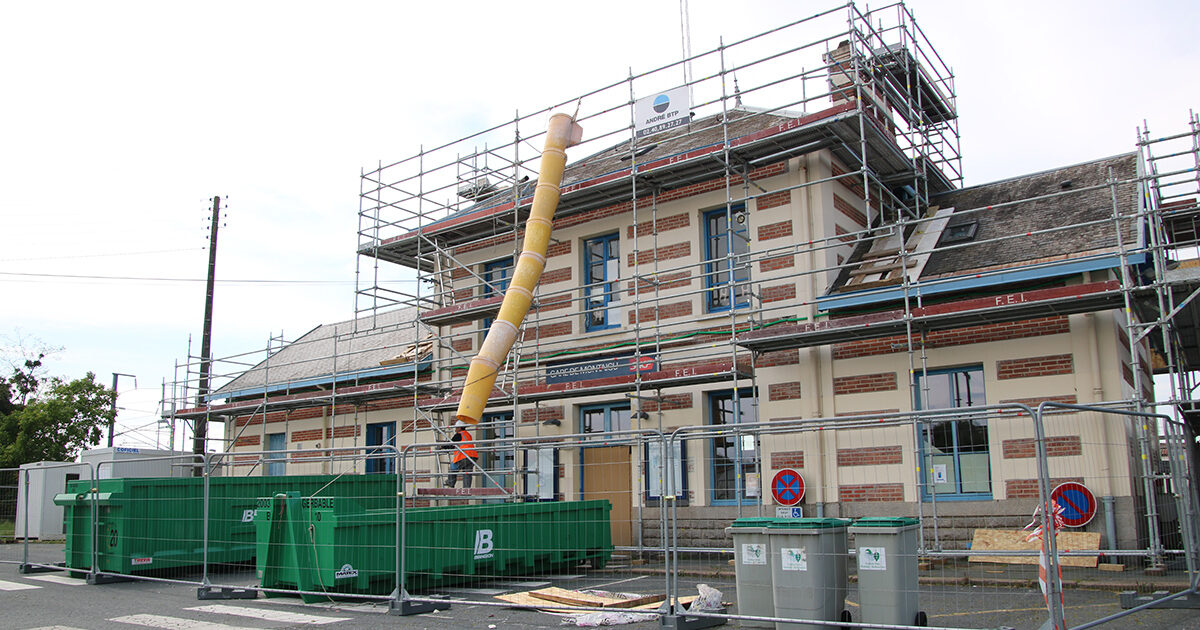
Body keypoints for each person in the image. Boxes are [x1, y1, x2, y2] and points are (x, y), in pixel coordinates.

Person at [444, 420, 478, 488]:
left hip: (464, 456)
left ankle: (450, 482)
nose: (455, 429)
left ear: (459, 428)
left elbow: (451, 444)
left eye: (456, 428)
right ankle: (466, 488)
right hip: (472, 456)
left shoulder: (459, 435)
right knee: (467, 473)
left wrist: (442, 446)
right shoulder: (467, 434)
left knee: (453, 467)